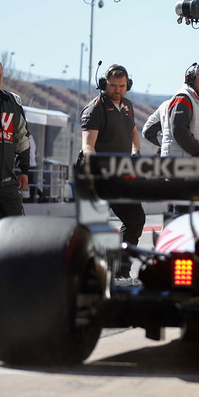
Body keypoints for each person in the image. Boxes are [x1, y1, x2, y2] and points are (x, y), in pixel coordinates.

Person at [80, 64, 144, 277]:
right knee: (94, 228)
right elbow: (88, 145)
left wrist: (136, 151)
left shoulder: (127, 105)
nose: (117, 90)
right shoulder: (95, 108)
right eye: (113, 86)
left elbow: (134, 132)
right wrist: (94, 166)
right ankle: (87, 276)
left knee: (135, 219)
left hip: (120, 176)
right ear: (104, 84)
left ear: (128, 86)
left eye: (122, 86)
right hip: (96, 178)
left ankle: (122, 271)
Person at [0, 58, 30, 218]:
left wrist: (24, 170)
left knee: (18, 230)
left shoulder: (13, 102)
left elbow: (23, 138)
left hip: (6, 181)